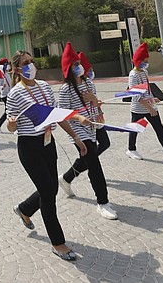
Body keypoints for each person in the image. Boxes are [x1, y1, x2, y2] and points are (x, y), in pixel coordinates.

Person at [6, 50, 89, 262]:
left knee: (50, 187)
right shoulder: (15, 93)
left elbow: (57, 115)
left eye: (31, 62)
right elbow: (10, 125)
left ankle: (24, 209)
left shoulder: (43, 87)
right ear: (16, 69)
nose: (30, 66)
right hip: (29, 147)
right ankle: (58, 242)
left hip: (48, 142)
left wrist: (76, 138)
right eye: (25, 63)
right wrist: (12, 124)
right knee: (48, 192)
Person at [56, 43, 117, 220]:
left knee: (89, 159)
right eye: (74, 65)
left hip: (92, 127)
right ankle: (103, 202)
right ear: (68, 68)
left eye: (78, 64)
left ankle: (66, 178)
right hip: (78, 130)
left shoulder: (89, 83)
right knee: (94, 164)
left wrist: (95, 102)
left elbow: (95, 105)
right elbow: (63, 113)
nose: (79, 67)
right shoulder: (65, 89)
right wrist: (78, 119)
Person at [125, 42, 163, 166]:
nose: (146, 63)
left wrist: (153, 99)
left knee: (160, 130)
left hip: (150, 106)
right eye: (145, 61)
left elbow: (146, 89)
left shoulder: (144, 72)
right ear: (138, 60)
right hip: (139, 108)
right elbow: (136, 95)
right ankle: (131, 149)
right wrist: (149, 107)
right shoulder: (133, 75)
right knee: (135, 129)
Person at [78, 52, 111, 156]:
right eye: (89, 71)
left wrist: (96, 102)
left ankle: (90, 162)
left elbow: (93, 101)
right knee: (90, 151)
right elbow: (86, 102)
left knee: (104, 143)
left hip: (96, 119)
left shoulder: (89, 83)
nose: (91, 73)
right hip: (87, 121)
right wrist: (94, 101)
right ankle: (88, 163)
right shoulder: (79, 85)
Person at [0, 58, 11, 133]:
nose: (8, 66)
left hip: (10, 94)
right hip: (4, 95)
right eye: (6, 64)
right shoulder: (0, 76)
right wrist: (2, 87)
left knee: (8, 111)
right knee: (8, 111)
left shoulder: (7, 74)